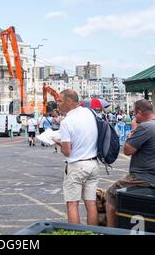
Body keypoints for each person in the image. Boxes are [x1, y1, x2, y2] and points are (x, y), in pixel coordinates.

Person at [105, 100, 155, 228]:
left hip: (146, 177)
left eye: (133, 113)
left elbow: (127, 150)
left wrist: (132, 132)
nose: (133, 116)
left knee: (110, 194)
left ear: (139, 113)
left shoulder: (145, 127)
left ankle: (111, 230)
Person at [54, 90, 100, 226]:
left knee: (72, 205)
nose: (57, 104)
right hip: (93, 164)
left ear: (69, 101)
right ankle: (94, 233)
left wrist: (57, 143)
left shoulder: (66, 122)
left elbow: (67, 152)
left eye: (60, 101)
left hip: (77, 166)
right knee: (91, 204)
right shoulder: (89, 113)